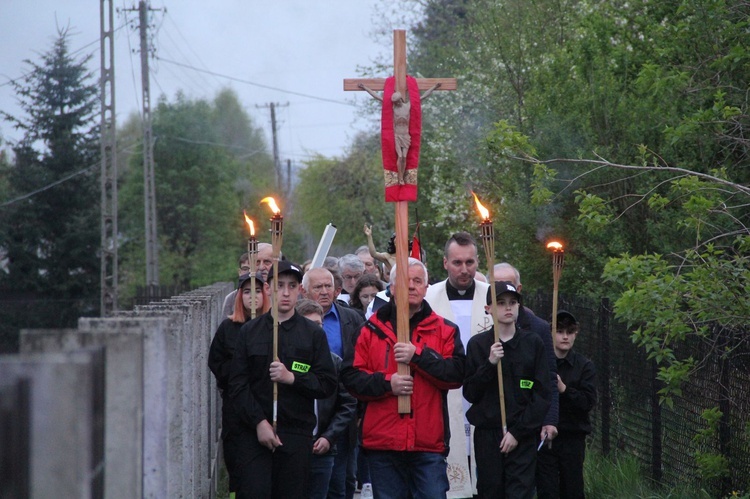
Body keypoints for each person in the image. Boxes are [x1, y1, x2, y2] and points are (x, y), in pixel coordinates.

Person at [341, 257, 465, 499]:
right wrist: (388, 384)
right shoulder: (369, 330)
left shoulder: (445, 330)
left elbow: (456, 375)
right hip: (383, 443)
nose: (411, 287)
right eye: (405, 281)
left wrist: (419, 356)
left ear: (426, 288)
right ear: (391, 286)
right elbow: (351, 377)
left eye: (417, 281)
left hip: (427, 444)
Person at [228, 260, 338, 498]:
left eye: (292, 286)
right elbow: (237, 384)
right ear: (267, 289)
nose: (285, 293)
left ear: (300, 290)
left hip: (295, 435)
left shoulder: (313, 334)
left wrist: (293, 378)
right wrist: (259, 422)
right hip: (255, 435)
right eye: (279, 286)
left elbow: (326, 383)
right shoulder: (250, 331)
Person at [463, 282, 551, 498]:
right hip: (488, 435)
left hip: (521, 434)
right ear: (488, 309)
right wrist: (490, 364)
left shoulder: (533, 343)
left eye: (512, 303)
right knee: (490, 491)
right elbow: (470, 393)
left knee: (519, 493)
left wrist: (517, 432)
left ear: (519, 306)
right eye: (501, 303)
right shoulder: (478, 345)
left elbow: (541, 395)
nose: (508, 308)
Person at [423, 231, 490, 497]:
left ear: (477, 262)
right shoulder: (429, 298)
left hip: (483, 394)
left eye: (470, 262)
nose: (464, 269)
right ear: (445, 263)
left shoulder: (492, 296)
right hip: (442, 391)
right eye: (457, 262)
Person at [302, 267, 365, 499]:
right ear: (305, 291)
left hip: (343, 411)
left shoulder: (352, 319)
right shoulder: (296, 320)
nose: (325, 292)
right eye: (318, 287)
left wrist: (358, 410)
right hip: (306, 414)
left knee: (343, 480)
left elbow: (362, 364)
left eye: (328, 286)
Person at [208, 272, 270, 496]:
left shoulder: (273, 328)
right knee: (238, 463)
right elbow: (216, 362)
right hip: (236, 407)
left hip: (266, 403)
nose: (252, 297)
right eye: (246, 292)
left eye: (257, 291)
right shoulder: (228, 328)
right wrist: (239, 371)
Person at [492, 263, 560, 447]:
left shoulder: (538, 328)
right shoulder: (482, 328)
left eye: (508, 284)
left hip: (529, 421)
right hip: (491, 423)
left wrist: (549, 419)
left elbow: (549, 377)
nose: (502, 290)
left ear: (519, 289)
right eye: (495, 284)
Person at [536, 311, 597, 499]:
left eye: (569, 332)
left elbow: (587, 402)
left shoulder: (584, 366)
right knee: (547, 488)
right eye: (560, 331)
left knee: (572, 487)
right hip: (546, 437)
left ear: (575, 334)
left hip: (572, 436)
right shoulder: (541, 363)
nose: (564, 337)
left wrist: (564, 389)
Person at [222, 243, 275, 317]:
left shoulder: (286, 296)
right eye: (257, 262)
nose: (261, 267)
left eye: (267, 262)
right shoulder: (233, 298)